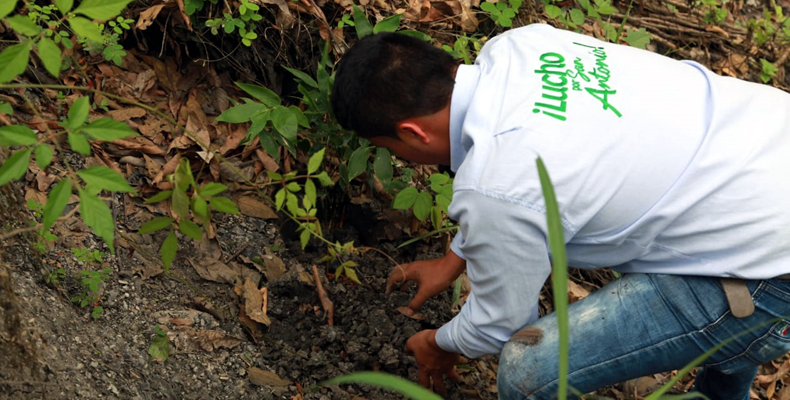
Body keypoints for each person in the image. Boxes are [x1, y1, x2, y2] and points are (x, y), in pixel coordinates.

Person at [330, 23, 790, 400]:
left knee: (530, 370)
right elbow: (526, 181)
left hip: (773, 269)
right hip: (764, 149)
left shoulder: (497, 185)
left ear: (411, 133)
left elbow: (500, 324)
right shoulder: (521, 46)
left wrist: (438, 343)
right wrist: (455, 260)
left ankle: (736, 353)